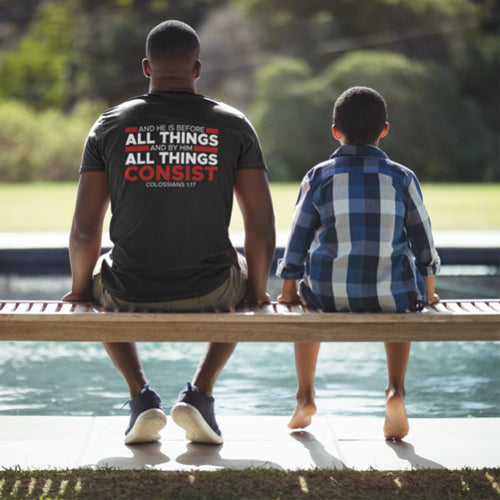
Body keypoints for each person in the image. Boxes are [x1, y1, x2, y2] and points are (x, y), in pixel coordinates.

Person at [62, 20, 275, 445]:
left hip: (128, 290)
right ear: (197, 69)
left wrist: (81, 289)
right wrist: (257, 293)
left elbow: (86, 231)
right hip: (214, 288)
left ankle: (141, 398)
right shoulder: (234, 125)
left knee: (101, 276)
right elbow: (262, 226)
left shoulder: (109, 125)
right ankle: (200, 393)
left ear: (146, 67)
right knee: (248, 274)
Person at [276, 86, 440, 441]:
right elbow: (423, 241)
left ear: (336, 130)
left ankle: (305, 396)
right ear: (384, 129)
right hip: (391, 297)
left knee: (304, 307)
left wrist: (288, 291)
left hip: (325, 297)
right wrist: (428, 294)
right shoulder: (402, 177)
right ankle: (395, 389)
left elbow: (298, 240)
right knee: (404, 300)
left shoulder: (319, 176)